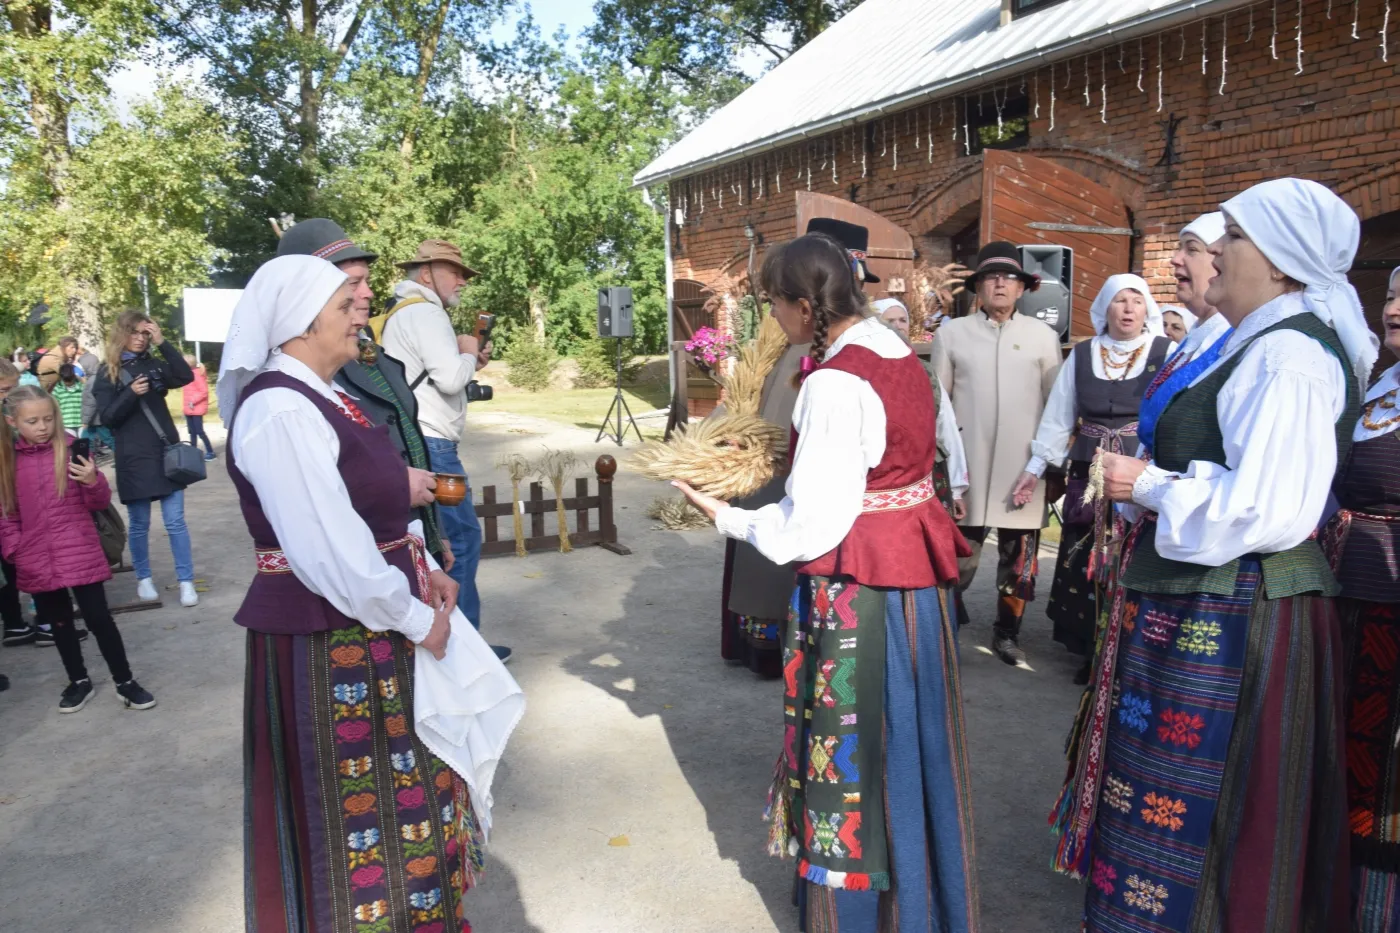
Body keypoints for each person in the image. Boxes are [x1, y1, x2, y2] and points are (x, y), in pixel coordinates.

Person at [1057, 178, 1369, 930]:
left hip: (1242, 614)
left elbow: (1267, 506)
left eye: (1232, 237)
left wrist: (1150, 483)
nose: (1216, 251)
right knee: (1168, 801)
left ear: (1282, 257)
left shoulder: (1290, 355)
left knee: (1224, 815)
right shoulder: (1252, 340)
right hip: (1202, 599)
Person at [675, 233, 978, 932]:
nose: (773, 319)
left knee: (856, 751)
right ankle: (923, 901)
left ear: (807, 305)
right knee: (909, 735)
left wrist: (726, 516)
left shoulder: (837, 382)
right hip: (913, 579)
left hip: (861, 586)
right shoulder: (895, 348)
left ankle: (863, 916)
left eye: (776, 304)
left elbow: (811, 524)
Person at [218, 254, 479, 933]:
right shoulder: (279, 408)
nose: (361, 309)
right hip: (329, 641)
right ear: (298, 325)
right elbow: (326, 550)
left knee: (400, 806)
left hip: (366, 626)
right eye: (345, 304)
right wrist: (416, 617)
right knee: (353, 820)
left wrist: (420, 562)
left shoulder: (324, 393)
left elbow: (362, 516)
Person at [1011, 275, 1172, 682]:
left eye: (1137, 300)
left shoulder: (1166, 352)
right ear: (1106, 308)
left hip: (1141, 471)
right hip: (1089, 471)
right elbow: (1059, 417)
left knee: (1129, 553)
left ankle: (1129, 648)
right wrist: (1034, 471)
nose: (1129, 308)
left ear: (1147, 309)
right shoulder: (1083, 355)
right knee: (1088, 554)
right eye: (1120, 301)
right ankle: (1090, 648)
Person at [276, 218, 449, 569]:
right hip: (364, 558)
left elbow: (408, 436)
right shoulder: (299, 383)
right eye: (354, 283)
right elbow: (316, 497)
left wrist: (435, 532)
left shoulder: (369, 351)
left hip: (409, 534)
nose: (368, 293)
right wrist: (398, 486)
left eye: (365, 281)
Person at [932, 241, 1062, 664]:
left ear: (1023, 288)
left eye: (1009, 278)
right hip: (966, 465)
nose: (1000, 284)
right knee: (958, 556)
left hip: (1022, 470)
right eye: (991, 277)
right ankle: (943, 629)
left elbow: (1057, 406)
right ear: (978, 288)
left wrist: (1048, 464)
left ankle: (1007, 634)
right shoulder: (951, 334)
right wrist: (943, 465)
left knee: (1019, 560)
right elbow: (939, 403)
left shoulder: (1043, 337)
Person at [381, 239, 510, 662]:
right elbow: (453, 380)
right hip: (436, 449)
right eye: (454, 271)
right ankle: (465, 647)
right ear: (425, 273)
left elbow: (440, 374)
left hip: (424, 445)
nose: (461, 281)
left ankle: (452, 639)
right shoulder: (426, 312)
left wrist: (466, 359)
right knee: (462, 537)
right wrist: (469, 354)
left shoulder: (405, 312)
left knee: (445, 539)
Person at [0, 385, 155, 712]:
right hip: (37, 558)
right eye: (32, 421)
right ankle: (78, 680)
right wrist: (16, 551)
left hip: (79, 551)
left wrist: (91, 480)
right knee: (59, 624)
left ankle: (124, 681)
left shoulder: (71, 450)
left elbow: (98, 503)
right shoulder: (9, 463)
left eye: (47, 419)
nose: (42, 427)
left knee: (100, 619)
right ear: (13, 422)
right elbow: (8, 515)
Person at [1327, 264, 1400, 932]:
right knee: (1348, 743)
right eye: (1395, 292)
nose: (1396, 308)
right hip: (1351, 593)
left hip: (1393, 603)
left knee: (1385, 762)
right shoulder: (1380, 385)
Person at [91, 311, 199, 608]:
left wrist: (163, 342)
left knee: (176, 522)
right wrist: (130, 393)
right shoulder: (106, 372)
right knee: (139, 524)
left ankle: (186, 582)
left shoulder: (152, 363)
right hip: (134, 456)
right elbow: (109, 419)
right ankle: (144, 578)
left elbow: (184, 375)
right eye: (135, 333)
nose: (140, 338)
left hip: (166, 452)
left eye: (145, 333)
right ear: (121, 334)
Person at [720, 336, 806, 678]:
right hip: (758, 462)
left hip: (795, 466)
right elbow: (740, 399)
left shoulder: (827, 346)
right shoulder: (771, 345)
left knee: (783, 567)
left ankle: (787, 651)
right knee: (760, 567)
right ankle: (761, 651)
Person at [1136, 212, 1234, 462]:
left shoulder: (1231, 339)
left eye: (1191, 249)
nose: (1175, 259)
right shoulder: (1195, 337)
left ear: (1222, 260)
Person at [180, 354, 216, 461]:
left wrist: (193, 401)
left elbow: (204, 392)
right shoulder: (188, 375)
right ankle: (193, 452)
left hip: (196, 409)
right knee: (192, 432)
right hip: (189, 409)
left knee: (200, 432)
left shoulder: (196, 375)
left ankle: (210, 452)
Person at [51, 363, 84, 435]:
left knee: (83, 443)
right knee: (71, 444)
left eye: (70, 380)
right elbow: (54, 406)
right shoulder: (57, 389)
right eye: (65, 380)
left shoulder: (82, 387)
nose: (68, 382)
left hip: (81, 422)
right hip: (66, 424)